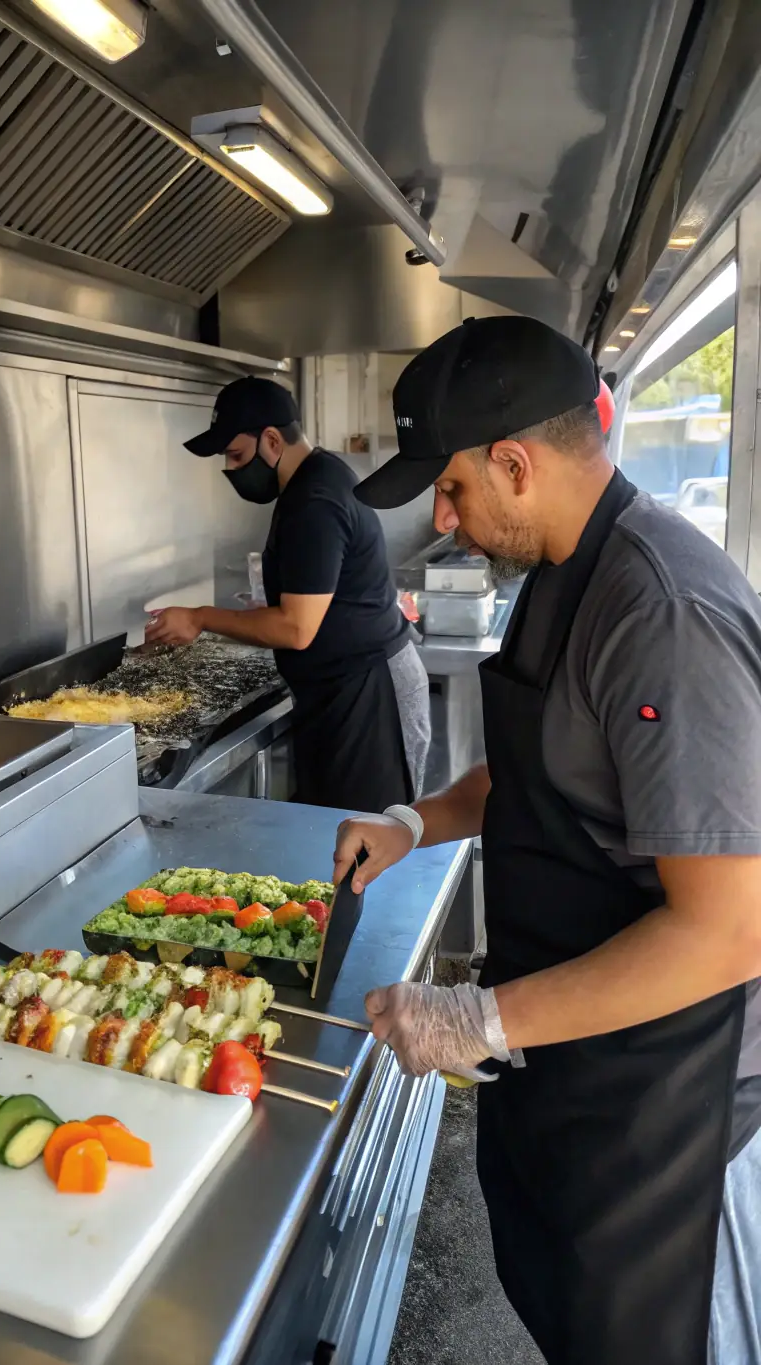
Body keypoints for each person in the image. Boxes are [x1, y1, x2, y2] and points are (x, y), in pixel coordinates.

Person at [334, 314, 761, 1365]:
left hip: (682, 1102)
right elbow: (543, 777)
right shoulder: (563, 572)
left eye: (452, 490)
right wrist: (416, 821)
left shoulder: (659, 613)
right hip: (580, 1055)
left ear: (515, 463)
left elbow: (728, 933)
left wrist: (476, 1017)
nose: (443, 519)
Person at [145, 376, 429, 811]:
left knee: (364, 846)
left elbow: (296, 628)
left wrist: (200, 617)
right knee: (334, 837)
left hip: (370, 701)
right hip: (345, 692)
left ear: (272, 440)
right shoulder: (316, 479)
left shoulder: (315, 499)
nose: (232, 469)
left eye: (237, 455)